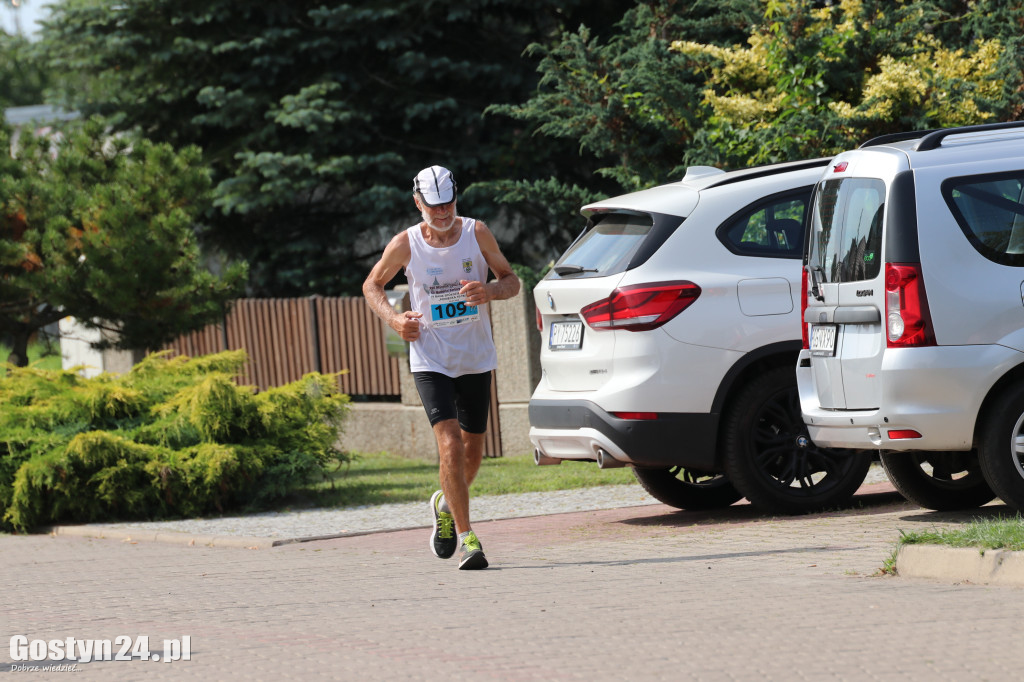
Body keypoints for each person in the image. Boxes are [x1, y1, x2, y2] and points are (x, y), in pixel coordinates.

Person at [362, 165, 520, 570]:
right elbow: (372, 285)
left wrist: (490, 291)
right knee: (448, 442)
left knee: (472, 453)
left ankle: (445, 506)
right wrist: (395, 321)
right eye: (434, 207)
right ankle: (469, 539)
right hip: (430, 357)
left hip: (474, 357)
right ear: (418, 204)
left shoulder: (476, 233)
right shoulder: (407, 243)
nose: (444, 213)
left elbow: (512, 281)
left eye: (448, 204)